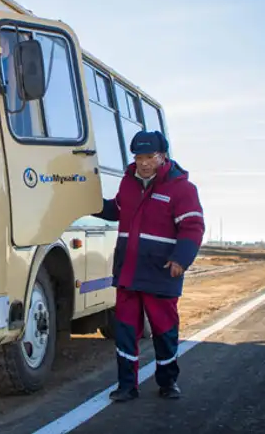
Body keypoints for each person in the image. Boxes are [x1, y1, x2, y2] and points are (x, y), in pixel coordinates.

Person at [93, 130, 205, 402]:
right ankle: (127, 386)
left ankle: (168, 383)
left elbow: (193, 227)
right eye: (138, 157)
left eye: (150, 157)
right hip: (128, 272)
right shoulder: (128, 183)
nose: (143, 163)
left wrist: (181, 259)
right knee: (126, 332)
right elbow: (116, 210)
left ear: (163, 156)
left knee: (164, 332)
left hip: (161, 273)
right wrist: (89, 204)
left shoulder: (182, 188)